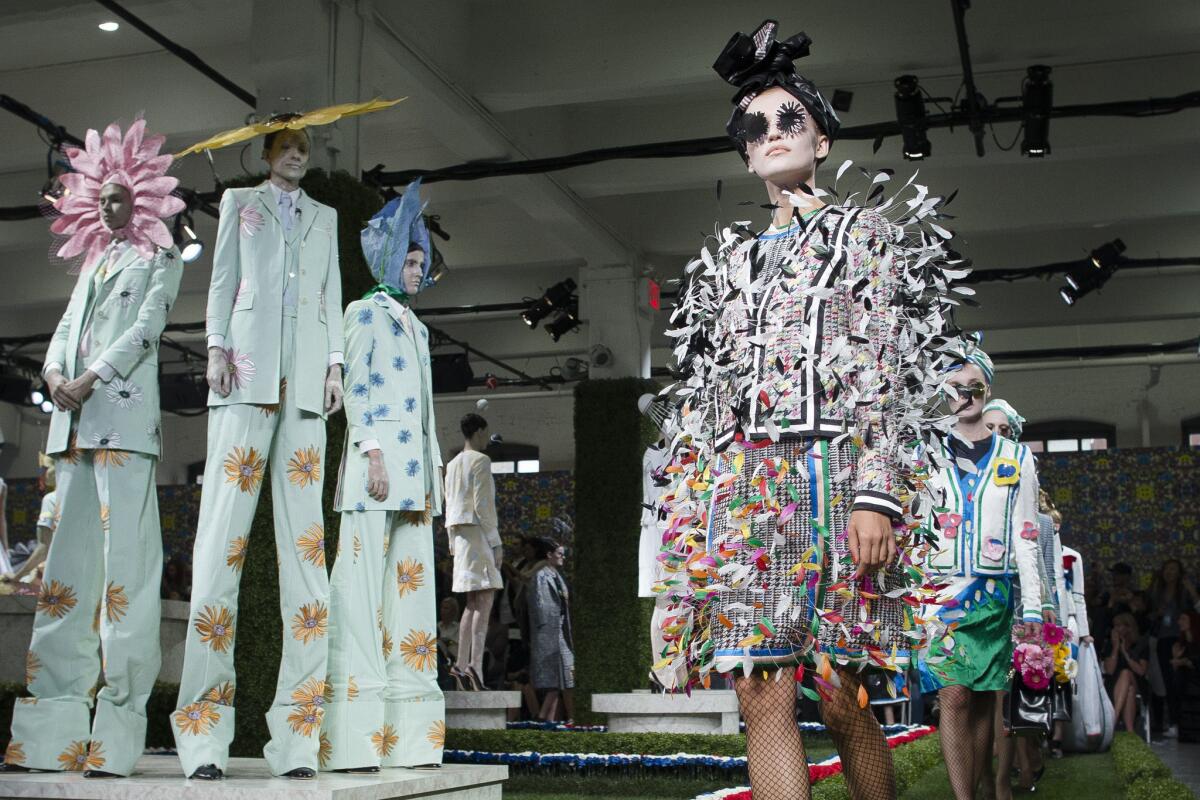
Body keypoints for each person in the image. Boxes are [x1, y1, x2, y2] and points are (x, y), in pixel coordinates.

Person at [655, 20, 960, 800]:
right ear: (746, 154)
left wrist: (876, 494)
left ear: (822, 140)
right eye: (756, 128)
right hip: (748, 493)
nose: (773, 134)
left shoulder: (865, 237)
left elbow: (888, 373)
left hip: (838, 481)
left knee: (842, 694)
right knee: (761, 690)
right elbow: (710, 394)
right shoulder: (726, 262)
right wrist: (694, 507)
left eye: (791, 119)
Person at [2, 118, 184, 778]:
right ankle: (49, 732)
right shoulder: (94, 263)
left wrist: (89, 378)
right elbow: (60, 333)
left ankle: (115, 732)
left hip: (125, 431)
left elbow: (146, 330)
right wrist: (53, 377)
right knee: (64, 584)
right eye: (102, 197)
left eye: (121, 196)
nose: (110, 206)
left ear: (144, 197)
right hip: (73, 432)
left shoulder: (158, 259)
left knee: (125, 583)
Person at [172, 125, 344, 781]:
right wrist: (215, 348)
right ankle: (202, 739)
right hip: (244, 378)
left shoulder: (326, 218)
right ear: (266, 155)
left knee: (307, 563)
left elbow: (329, 295)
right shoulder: (239, 204)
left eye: (304, 147)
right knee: (220, 549)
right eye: (285, 147)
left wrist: (334, 368)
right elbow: (222, 282)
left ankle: (297, 743)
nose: (296, 155)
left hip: (304, 388)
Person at [321, 180, 444, 772]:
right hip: (375, 471)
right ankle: (352, 735)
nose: (419, 272)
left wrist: (432, 477)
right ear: (391, 260)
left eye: (421, 263)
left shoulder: (418, 328)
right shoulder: (363, 311)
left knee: (411, 601)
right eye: (412, 261)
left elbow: (423, 414)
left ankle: (410, 735)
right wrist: (370, 453)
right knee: (360, 595)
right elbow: (356, 388)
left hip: (416, 478)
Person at [919, 348, 1047, 800]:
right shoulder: (923, 450)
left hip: (993, 597)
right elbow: (914, 527)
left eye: (974, 386)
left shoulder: (1016, 457)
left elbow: (1026, 535)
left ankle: (973, 790)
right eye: (955, 386)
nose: (965, 395)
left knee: (978, 704)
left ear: (987, 389)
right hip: (938, 594)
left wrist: (1033, 604)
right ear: (943, 390)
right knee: (952, 696)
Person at [444, 413, 503, 690]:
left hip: (459, 534)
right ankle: (474, 665)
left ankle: (460, 661)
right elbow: (483, 505)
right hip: (477, 533)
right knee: (486, 597)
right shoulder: (481, 461)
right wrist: (496, 541)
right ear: (479, 431)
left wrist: (451, 541)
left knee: (472, 601)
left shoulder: (453, 463)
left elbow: (448, 504)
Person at [1150, 558, 1200, 738]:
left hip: (1181, 638)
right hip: (1163, 638)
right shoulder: (1158, 590)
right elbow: (1150, 615)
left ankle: (1184, 722)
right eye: (1167, 569)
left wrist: (1190, 588)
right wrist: (1158, 613)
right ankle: (1173, 722)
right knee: (1168, 682)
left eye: (1174, 569)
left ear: (1179, 572)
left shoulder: (1184, 589)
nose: (1170, 572)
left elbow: (1197, 606)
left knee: (1182, 680)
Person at [527, 538, 573, 722]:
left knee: (564, 675)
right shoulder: (541, 576)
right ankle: (569, 717)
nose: (562, 557)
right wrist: (543, 635)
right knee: (565, 675)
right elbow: (539, 608)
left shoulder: (556, 575)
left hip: (560, 630)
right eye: (559, 554)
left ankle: (544, 716)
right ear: (549, 555)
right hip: (550, 632)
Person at [3, 454, 58, 585]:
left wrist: (17, 576)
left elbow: (43, 548)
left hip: (60, 572)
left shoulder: (51, 500)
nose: (42, 474)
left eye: (44, 469)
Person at [1103, 612, 1150, 733]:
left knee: (1126, 673)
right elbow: (1109, 670)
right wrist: (1116, 648)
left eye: (1119, 626)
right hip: (1114, 684)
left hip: (1137, 681)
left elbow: (1141, 671)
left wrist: (1124, 652)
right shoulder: (1110, 645)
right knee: (1129, 690)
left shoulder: (1140, 645)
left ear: (1129, 627)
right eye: (1115, 626)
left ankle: (1113, 719)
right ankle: (1130, 731)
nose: (1116, 629)